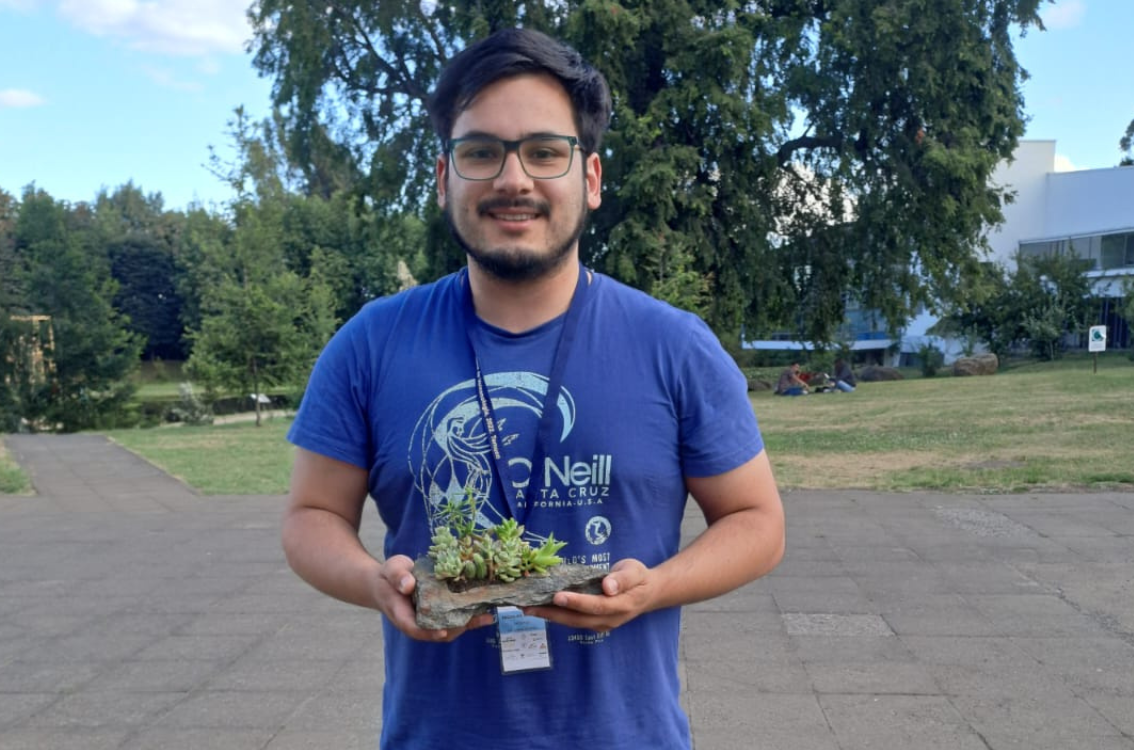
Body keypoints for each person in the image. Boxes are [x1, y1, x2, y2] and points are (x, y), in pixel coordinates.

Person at [282, 28, 785, 750]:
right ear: (443, 178)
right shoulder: (371, 342)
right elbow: (309, 515)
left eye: (545, 152)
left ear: (591, 178)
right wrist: (372, 581)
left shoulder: (673, 345)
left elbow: (757, 523)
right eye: (480, 151)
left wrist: (656, 588)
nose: (512, 179)